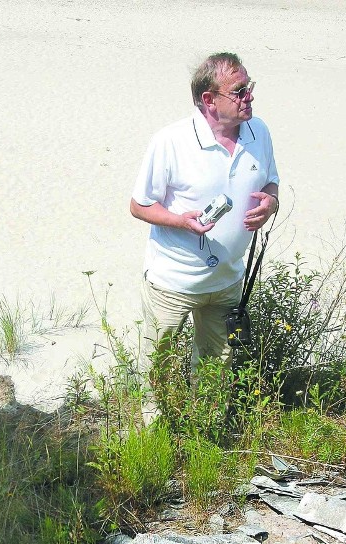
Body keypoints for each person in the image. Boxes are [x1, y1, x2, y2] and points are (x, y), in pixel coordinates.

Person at [130, 52, 279, 417]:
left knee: (215, 371)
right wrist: (183, 221)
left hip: (228, 281)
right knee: (155, 369)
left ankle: (206, 438)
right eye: (240, 90)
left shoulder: (259, 131)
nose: (250, 97)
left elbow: (271, 180)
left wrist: (270, 202)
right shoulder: (171, 140)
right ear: (209, 100)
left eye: (250, 87)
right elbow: (139, 205)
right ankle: (149, 439)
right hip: (172, 283)